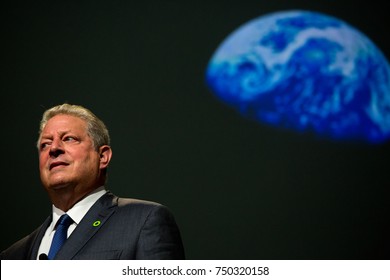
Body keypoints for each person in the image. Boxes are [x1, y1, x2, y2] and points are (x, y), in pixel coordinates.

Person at [0, 103, 185, 260]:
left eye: (69, 139)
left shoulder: (144, 221)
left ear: (102, 156)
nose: (54, 148)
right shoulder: (13, 256)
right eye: (45, 144)